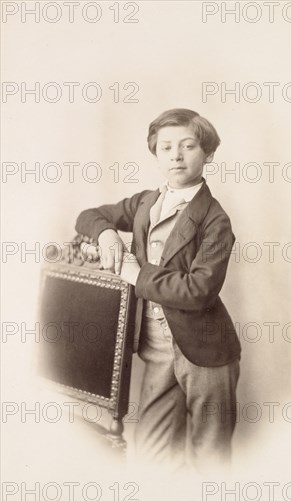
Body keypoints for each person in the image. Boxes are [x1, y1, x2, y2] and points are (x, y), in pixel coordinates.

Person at [75, 108, 241, 473]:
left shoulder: (215, 219)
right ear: (156, 154)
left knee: (209, 457)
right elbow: (89, 215)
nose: (176, 156)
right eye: (166, 148)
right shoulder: (146, 203)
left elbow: (199, 290)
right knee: (151, 455)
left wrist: (137, 273)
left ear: (208, 154)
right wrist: (105, 234)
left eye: (188, 146)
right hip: (157, 349)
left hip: (206, 352)